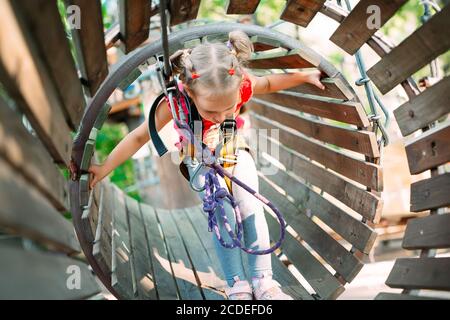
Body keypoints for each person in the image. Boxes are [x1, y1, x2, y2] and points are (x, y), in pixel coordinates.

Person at [89, 30, 325, 300]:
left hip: (233, 146)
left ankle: (265, 282)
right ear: (190, 90)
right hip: (199, 157)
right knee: (222, 213)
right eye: (211, 112)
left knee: (249, 202)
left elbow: (269, 83)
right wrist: (103, 168)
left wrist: (304, 76)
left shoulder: (241, 83)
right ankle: (237, 286)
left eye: (229, 108)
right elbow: (139, 136)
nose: (221, 116)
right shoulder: (176, 102)